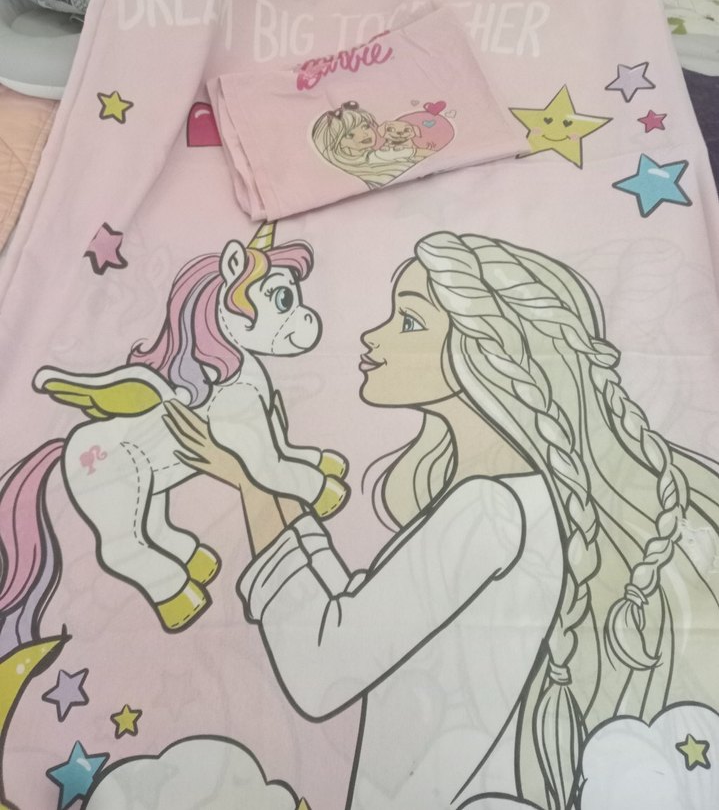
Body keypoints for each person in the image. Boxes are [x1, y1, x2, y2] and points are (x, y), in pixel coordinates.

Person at [164, 231, 719, 810]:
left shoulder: (490, 510)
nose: (372, 336)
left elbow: (321, 667)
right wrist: (265, 477)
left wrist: (253, 490)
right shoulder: (511, 498)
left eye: (409, 321)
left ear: (485, 351)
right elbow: (360, 617)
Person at [310, 102, 417, 188]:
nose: (364, 134)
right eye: (350, 135)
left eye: (365, 127)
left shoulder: (380, 154)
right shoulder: (367, 163)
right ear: (337, 143)